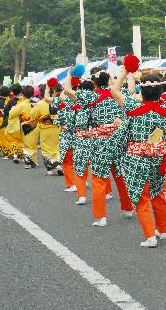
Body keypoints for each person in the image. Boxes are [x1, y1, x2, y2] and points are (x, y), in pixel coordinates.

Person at [111, 65, 166, 247]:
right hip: (158, 157)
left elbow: (114, 90)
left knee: (141, 195)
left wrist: (126, 71)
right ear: (161, 90)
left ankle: (149, 236)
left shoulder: (133, 105)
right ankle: (162, 230)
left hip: (136, 158)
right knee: (157, 193)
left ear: (141, 90)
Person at [63, 67, 134, 227]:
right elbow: (131, 89)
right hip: (118, 139)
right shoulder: (118, 93)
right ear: (109, 80)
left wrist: (69, 75)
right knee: (120, 174)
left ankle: (101, 216)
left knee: (98, 178)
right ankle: (128, 208)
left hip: (100, 141)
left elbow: (67, 91)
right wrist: (125, 73)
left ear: (94, 83)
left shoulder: (90, 96)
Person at [3, 84, 26, 163]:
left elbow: (5, 111)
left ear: (12, 92)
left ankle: (15, 154)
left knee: (13, 140)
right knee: (22, 140)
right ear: (21, 91)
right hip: (24, 122)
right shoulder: (25, 100)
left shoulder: (11, 101)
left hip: (13, 124)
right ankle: (22, 155)